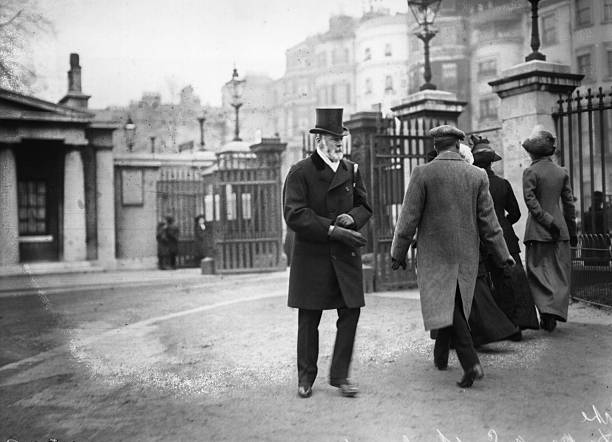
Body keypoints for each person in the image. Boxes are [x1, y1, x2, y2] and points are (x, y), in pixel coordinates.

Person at [390, 124, 514, 388]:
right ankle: (440, 356)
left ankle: (470, 363)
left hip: (434, 255)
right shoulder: (477, 175)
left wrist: (397, 252)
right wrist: (503, 255)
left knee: (448, 305)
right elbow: (490, 223)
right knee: (454, 302)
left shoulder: (423, 173)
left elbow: (408, 218)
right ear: (458, 146)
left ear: (436, 147)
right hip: (466, 253)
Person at [283, 107, 372, 398]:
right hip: (313, 257)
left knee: (351, 311)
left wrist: (353, 218)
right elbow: (294, 214)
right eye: (334, 138)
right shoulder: (300, 172)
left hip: (344, 257)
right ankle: (305, 377)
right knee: (310, 317)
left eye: (341, 138)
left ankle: (340, 375)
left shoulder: (351, 170)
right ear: (319, 139)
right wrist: (332, 229)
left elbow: (365, 206)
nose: (339, 143)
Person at [471, 136, 539, 331]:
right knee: (514, 279)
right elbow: (516, 213)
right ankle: (521, 321)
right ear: (492, 161)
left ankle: (501, 326)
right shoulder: (503, 183)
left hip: (483, 238)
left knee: (491, 281)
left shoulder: (475, 184)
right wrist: (502, 225)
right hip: (507, 237)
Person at [522, 126, 577, 332]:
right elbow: (569, 204)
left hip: (537, 231)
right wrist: (571, 232)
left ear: (533, 153)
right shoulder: (561, 172)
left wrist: (545, 219)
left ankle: (546, 311)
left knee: (537, 273)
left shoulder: (530, 172)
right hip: (560, 231)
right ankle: (554, 311)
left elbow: (531, 202)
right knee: (559, 273)